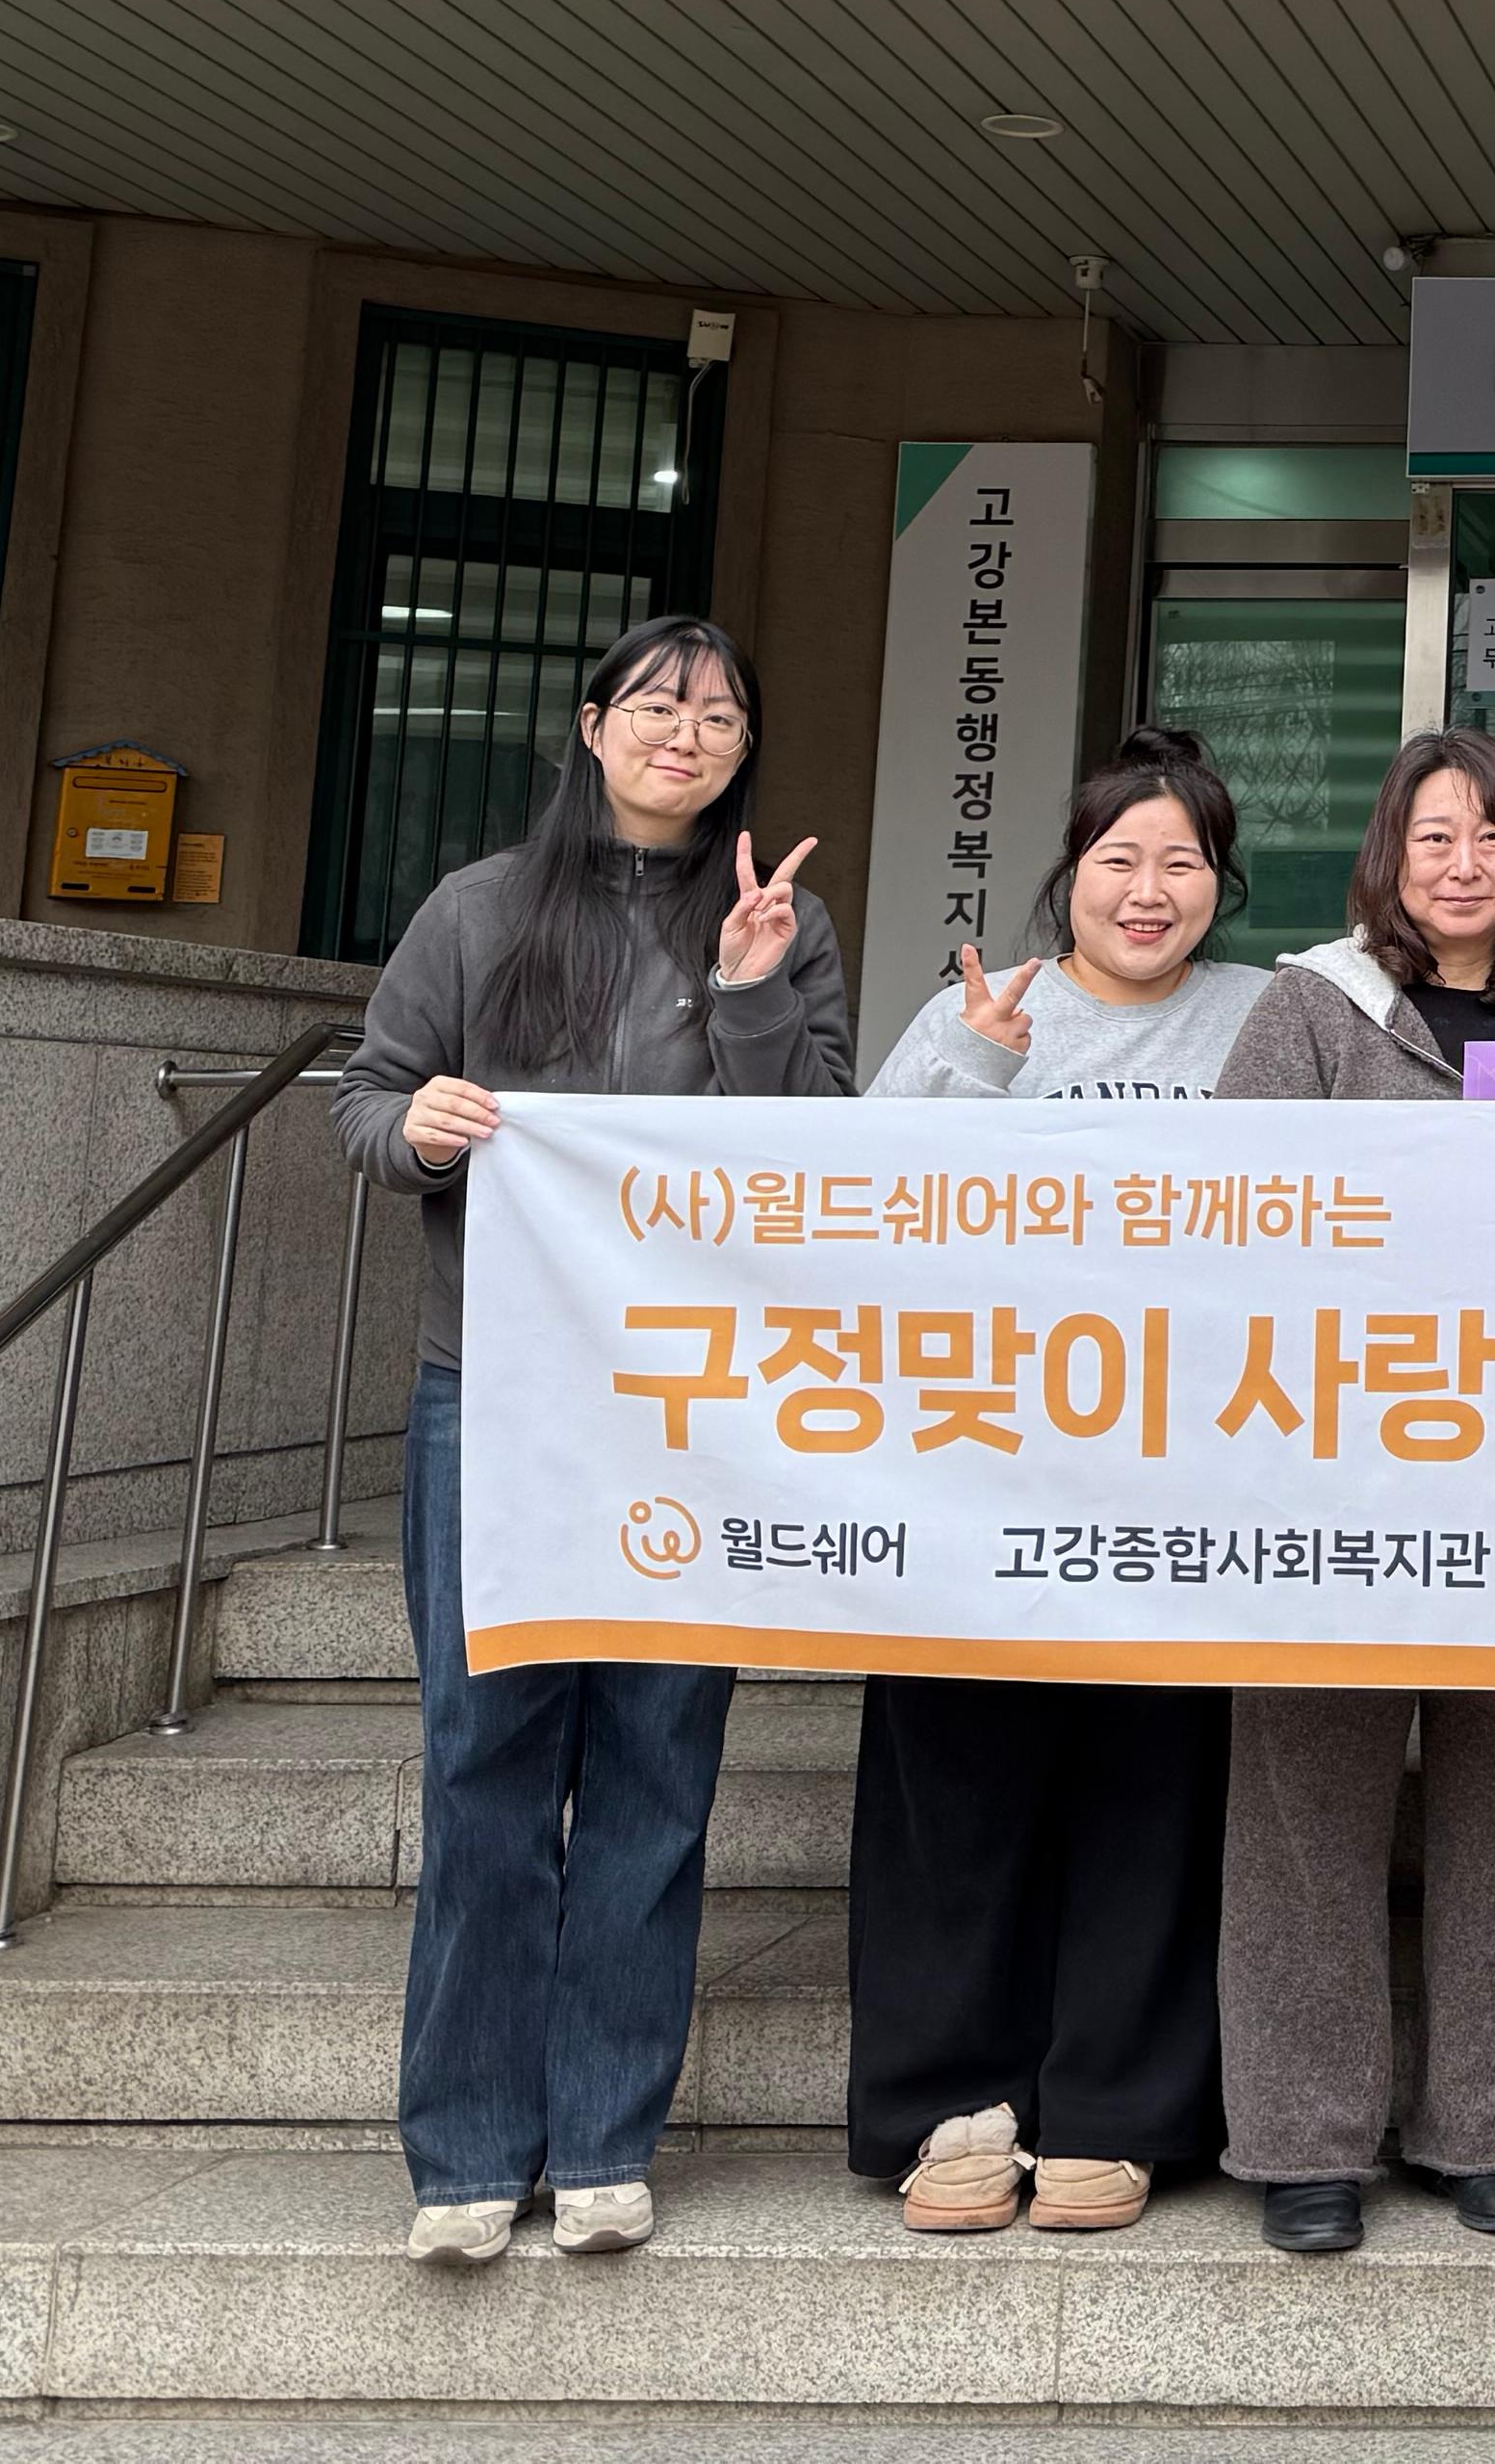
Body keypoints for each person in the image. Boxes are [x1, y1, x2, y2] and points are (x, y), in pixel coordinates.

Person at [329, 614, 847, 2269]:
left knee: (656, 1769)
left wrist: (751, 991)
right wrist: (418, 1129)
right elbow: (366, 1099)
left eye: (722, 715)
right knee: (483, 1765)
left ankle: (609, 2135)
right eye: (659, 706)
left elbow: (818, 1155)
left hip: (690, 1405)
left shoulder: (782, 924)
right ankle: (468, 2150)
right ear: (593, 723)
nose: (688, 734)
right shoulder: (479, 908)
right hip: (493, 1390)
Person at [840, 728, 1271, 2236]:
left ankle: (1117, 2105)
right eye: (1118, 860)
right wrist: (974, 1062)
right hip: (972, 1477)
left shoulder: (1269, 1017)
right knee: (956, 1791)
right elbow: (841, 1214)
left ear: (1221, 883)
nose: (1148, 891)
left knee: (1152, 1791)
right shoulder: (978, 1011)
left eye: (1181, 863)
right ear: (1069, 875)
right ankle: (949, 2102)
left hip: (1185, 1482)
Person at [1203, 729, 1495, 2252]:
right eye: (1434, 837)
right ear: (1389, 856)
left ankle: (1490, 2130)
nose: (1464, 864)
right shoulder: (1311, 1005)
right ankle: (1304, 2140)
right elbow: (1238, 1224)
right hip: (1330, 1463)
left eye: (1493, 836)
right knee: (1306, 1801)